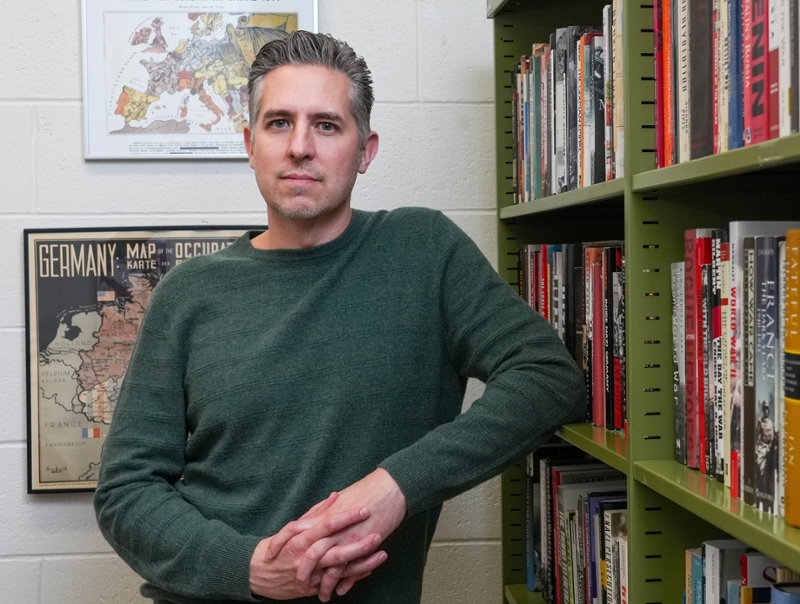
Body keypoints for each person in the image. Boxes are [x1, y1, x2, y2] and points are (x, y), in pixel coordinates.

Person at [94, 30, 586, 604]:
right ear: (250, 144)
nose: (300, 145)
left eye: (326, 125)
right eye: (279, 123)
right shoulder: (189, 293)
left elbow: (549, 378)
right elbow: (126, 490)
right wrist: (247, 568)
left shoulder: (423, 251)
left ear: (366, 149)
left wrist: (396, 486)